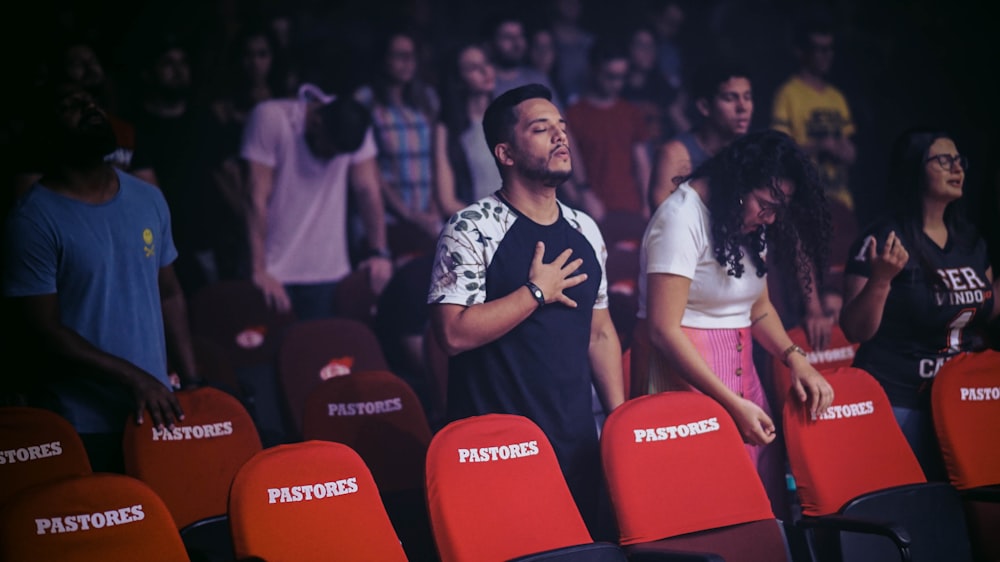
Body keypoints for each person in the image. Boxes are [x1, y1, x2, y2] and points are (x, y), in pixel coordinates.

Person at [428, 84, 624, 540]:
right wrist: (535, 292)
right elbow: (452, 335)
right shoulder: (471, 227)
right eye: (541, 129)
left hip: (577, 444)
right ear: (506, 153)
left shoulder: (584, 229)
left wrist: (618, 423)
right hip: (497, 451)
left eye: (561, 127)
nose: (560, 137)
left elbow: (600, 333)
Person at [2, 84, 202, 472]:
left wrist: (192, 379)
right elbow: (42, 329)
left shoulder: (149, 199)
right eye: (70, 106)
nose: (89, 108)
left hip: (155, 411)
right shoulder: (32, 221)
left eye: (93, 102)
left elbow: (169, 293)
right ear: (46, 134)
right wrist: (133, 379)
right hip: (80, 422)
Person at [633, 129, 834, 513]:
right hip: (685, 389)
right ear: (739, 184)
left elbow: (758, 310)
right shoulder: (680, 218)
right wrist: (728, 404)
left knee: (760, 509)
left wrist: (796, 359)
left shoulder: (745, 219)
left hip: (745, 390)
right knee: (706, 509)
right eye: (766, 204)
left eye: (779, 209)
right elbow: (662, 329)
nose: (771, 219)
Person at [840, 129, 999, 480]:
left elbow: (988, 310)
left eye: (959, 160)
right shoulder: (883, 238)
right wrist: (881, 279)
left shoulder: (971, 241)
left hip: (962, 397)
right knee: (913, 502)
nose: (957, 168)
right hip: (901, 398)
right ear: (915, 169)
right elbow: (854, 329)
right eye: (944, 160)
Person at [242, 83, 392, 320]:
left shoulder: (354, 122)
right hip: (273, 272)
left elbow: (367, 189)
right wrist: (258, 269)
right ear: (316, 122)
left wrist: (378, 252)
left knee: (322, 353)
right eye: (330, 149)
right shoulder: (271, 117)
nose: (332, 158)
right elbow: (256, 196)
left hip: (329, 272)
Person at [355, 31, 442, 246]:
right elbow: (369, 169)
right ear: (383, 59)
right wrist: (408, 214)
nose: (407, 62)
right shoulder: (366, 101)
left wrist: (432, 209)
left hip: (427, 217)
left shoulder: (426, 99)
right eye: (398, 55)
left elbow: (433, 159)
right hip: (385, 219)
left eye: (411, 55)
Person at [771, 18, 857, 212]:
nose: (827, 56)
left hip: (841, 200)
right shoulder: (788, 93)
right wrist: (819, 146)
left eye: (830, 49)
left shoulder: (836, 97)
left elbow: (850, 149)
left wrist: (846, 151)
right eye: (820, 49)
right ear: (802, 52)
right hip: (804, 201)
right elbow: (779, 150)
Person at [648, 59, 752, 209]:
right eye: (730, 98)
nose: (742, 107)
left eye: (747, 97)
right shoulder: (674, 155)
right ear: (704, 106)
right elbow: (663, 220)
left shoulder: (751, 153)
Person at [566, 38, 651, 217]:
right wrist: (581, 198)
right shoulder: (573, 114)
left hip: (631, 207)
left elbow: (642, 164)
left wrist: (647, 204)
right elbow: (564, 166)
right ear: (594, 71)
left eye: (622, 77)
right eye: (610, 76)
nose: (617, 83)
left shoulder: (630, 112)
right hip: (591, 210)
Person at [434, 42, 501, 217]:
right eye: (473, 68)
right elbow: (446, 200)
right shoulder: (448, 128)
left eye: (486, 63)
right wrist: (488, 224)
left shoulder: (509, 119)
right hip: (476, 228)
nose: (485, 71)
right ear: (459, 79)